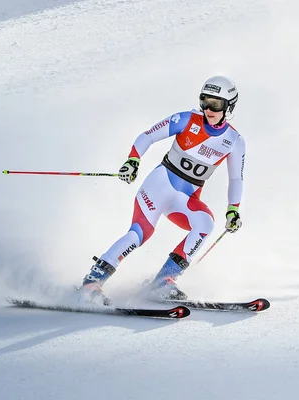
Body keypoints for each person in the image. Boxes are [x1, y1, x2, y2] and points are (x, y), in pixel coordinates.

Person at [79, 76, 245, 305]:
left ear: (229, 106)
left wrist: (233, 210)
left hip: (185, 198)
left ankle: (163, 282)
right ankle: (91, 283)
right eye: (204, 101)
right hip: (159, 184)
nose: (208, 109)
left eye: (215, 105)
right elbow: (147, 136)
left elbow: (236, 178)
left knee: (205, 224)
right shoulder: (186, 119)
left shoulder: (234, 141)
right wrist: (133, 160)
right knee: (139, 234)